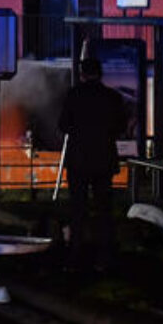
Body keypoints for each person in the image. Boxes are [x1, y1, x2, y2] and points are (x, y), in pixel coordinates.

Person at [58, 57, 127, 271]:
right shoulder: (112, 97)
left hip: (79, 160)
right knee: (104, 209)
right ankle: (104, 257)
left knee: (78, 208)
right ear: (101, 73)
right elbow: (121, 127)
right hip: (103, 160)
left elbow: (63, 125)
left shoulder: (74, 96)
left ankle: (75, 254)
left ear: (82, 74)